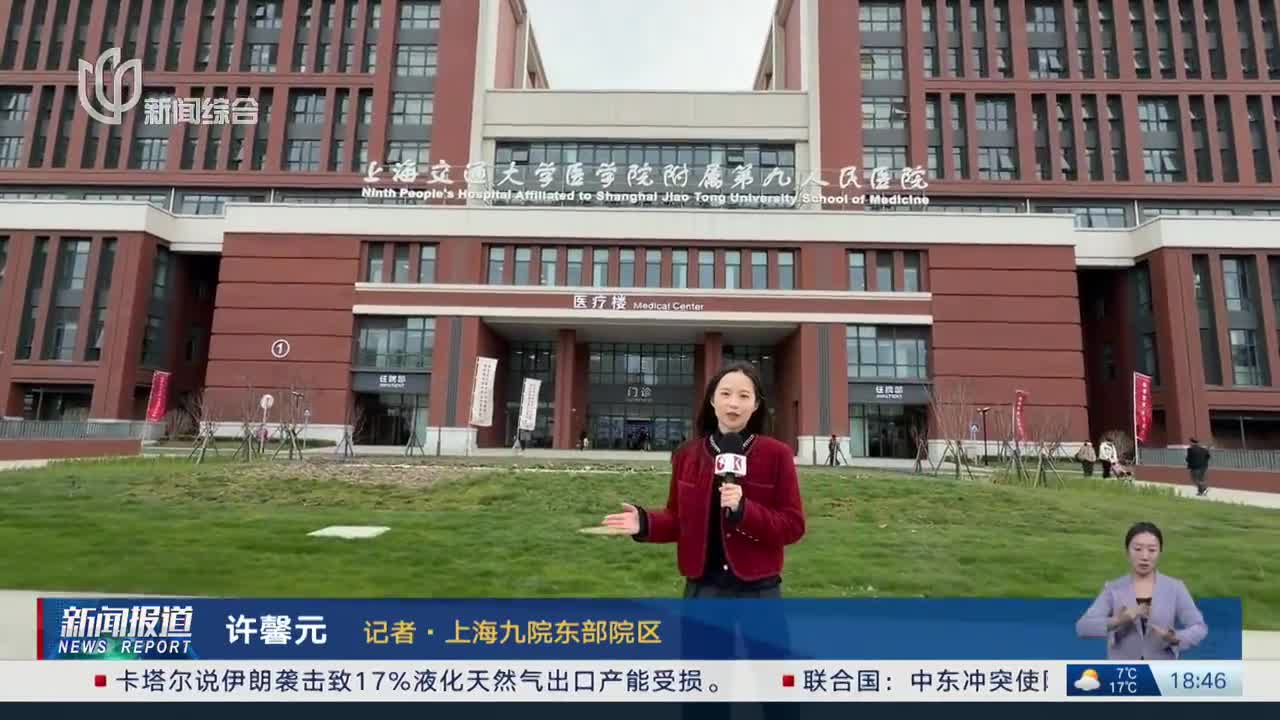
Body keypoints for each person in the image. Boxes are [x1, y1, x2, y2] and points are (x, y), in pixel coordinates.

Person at [600, 361, 807, 598]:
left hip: (759, 589)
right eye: (725, 394)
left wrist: (744, 510)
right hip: (703, 588)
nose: (733, 403)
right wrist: (645, 523)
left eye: (744, 396)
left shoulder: (777, 454)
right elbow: (678, 519)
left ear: (756, 404)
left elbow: (793, 526)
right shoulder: (687, 455)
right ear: (712, 400)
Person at [1075, 522, 1208, 660]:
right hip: (1123, 671)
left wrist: (1176, 638)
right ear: (1127, 552)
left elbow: (1199, 627)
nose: (1145, 556)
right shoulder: (1113, 588)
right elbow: (1083, 627)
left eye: (1152, 550)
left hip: (1161, 671)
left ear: (1160, 552)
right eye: (1138, 549)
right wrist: (1117, 620)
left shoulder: (1175, 588)